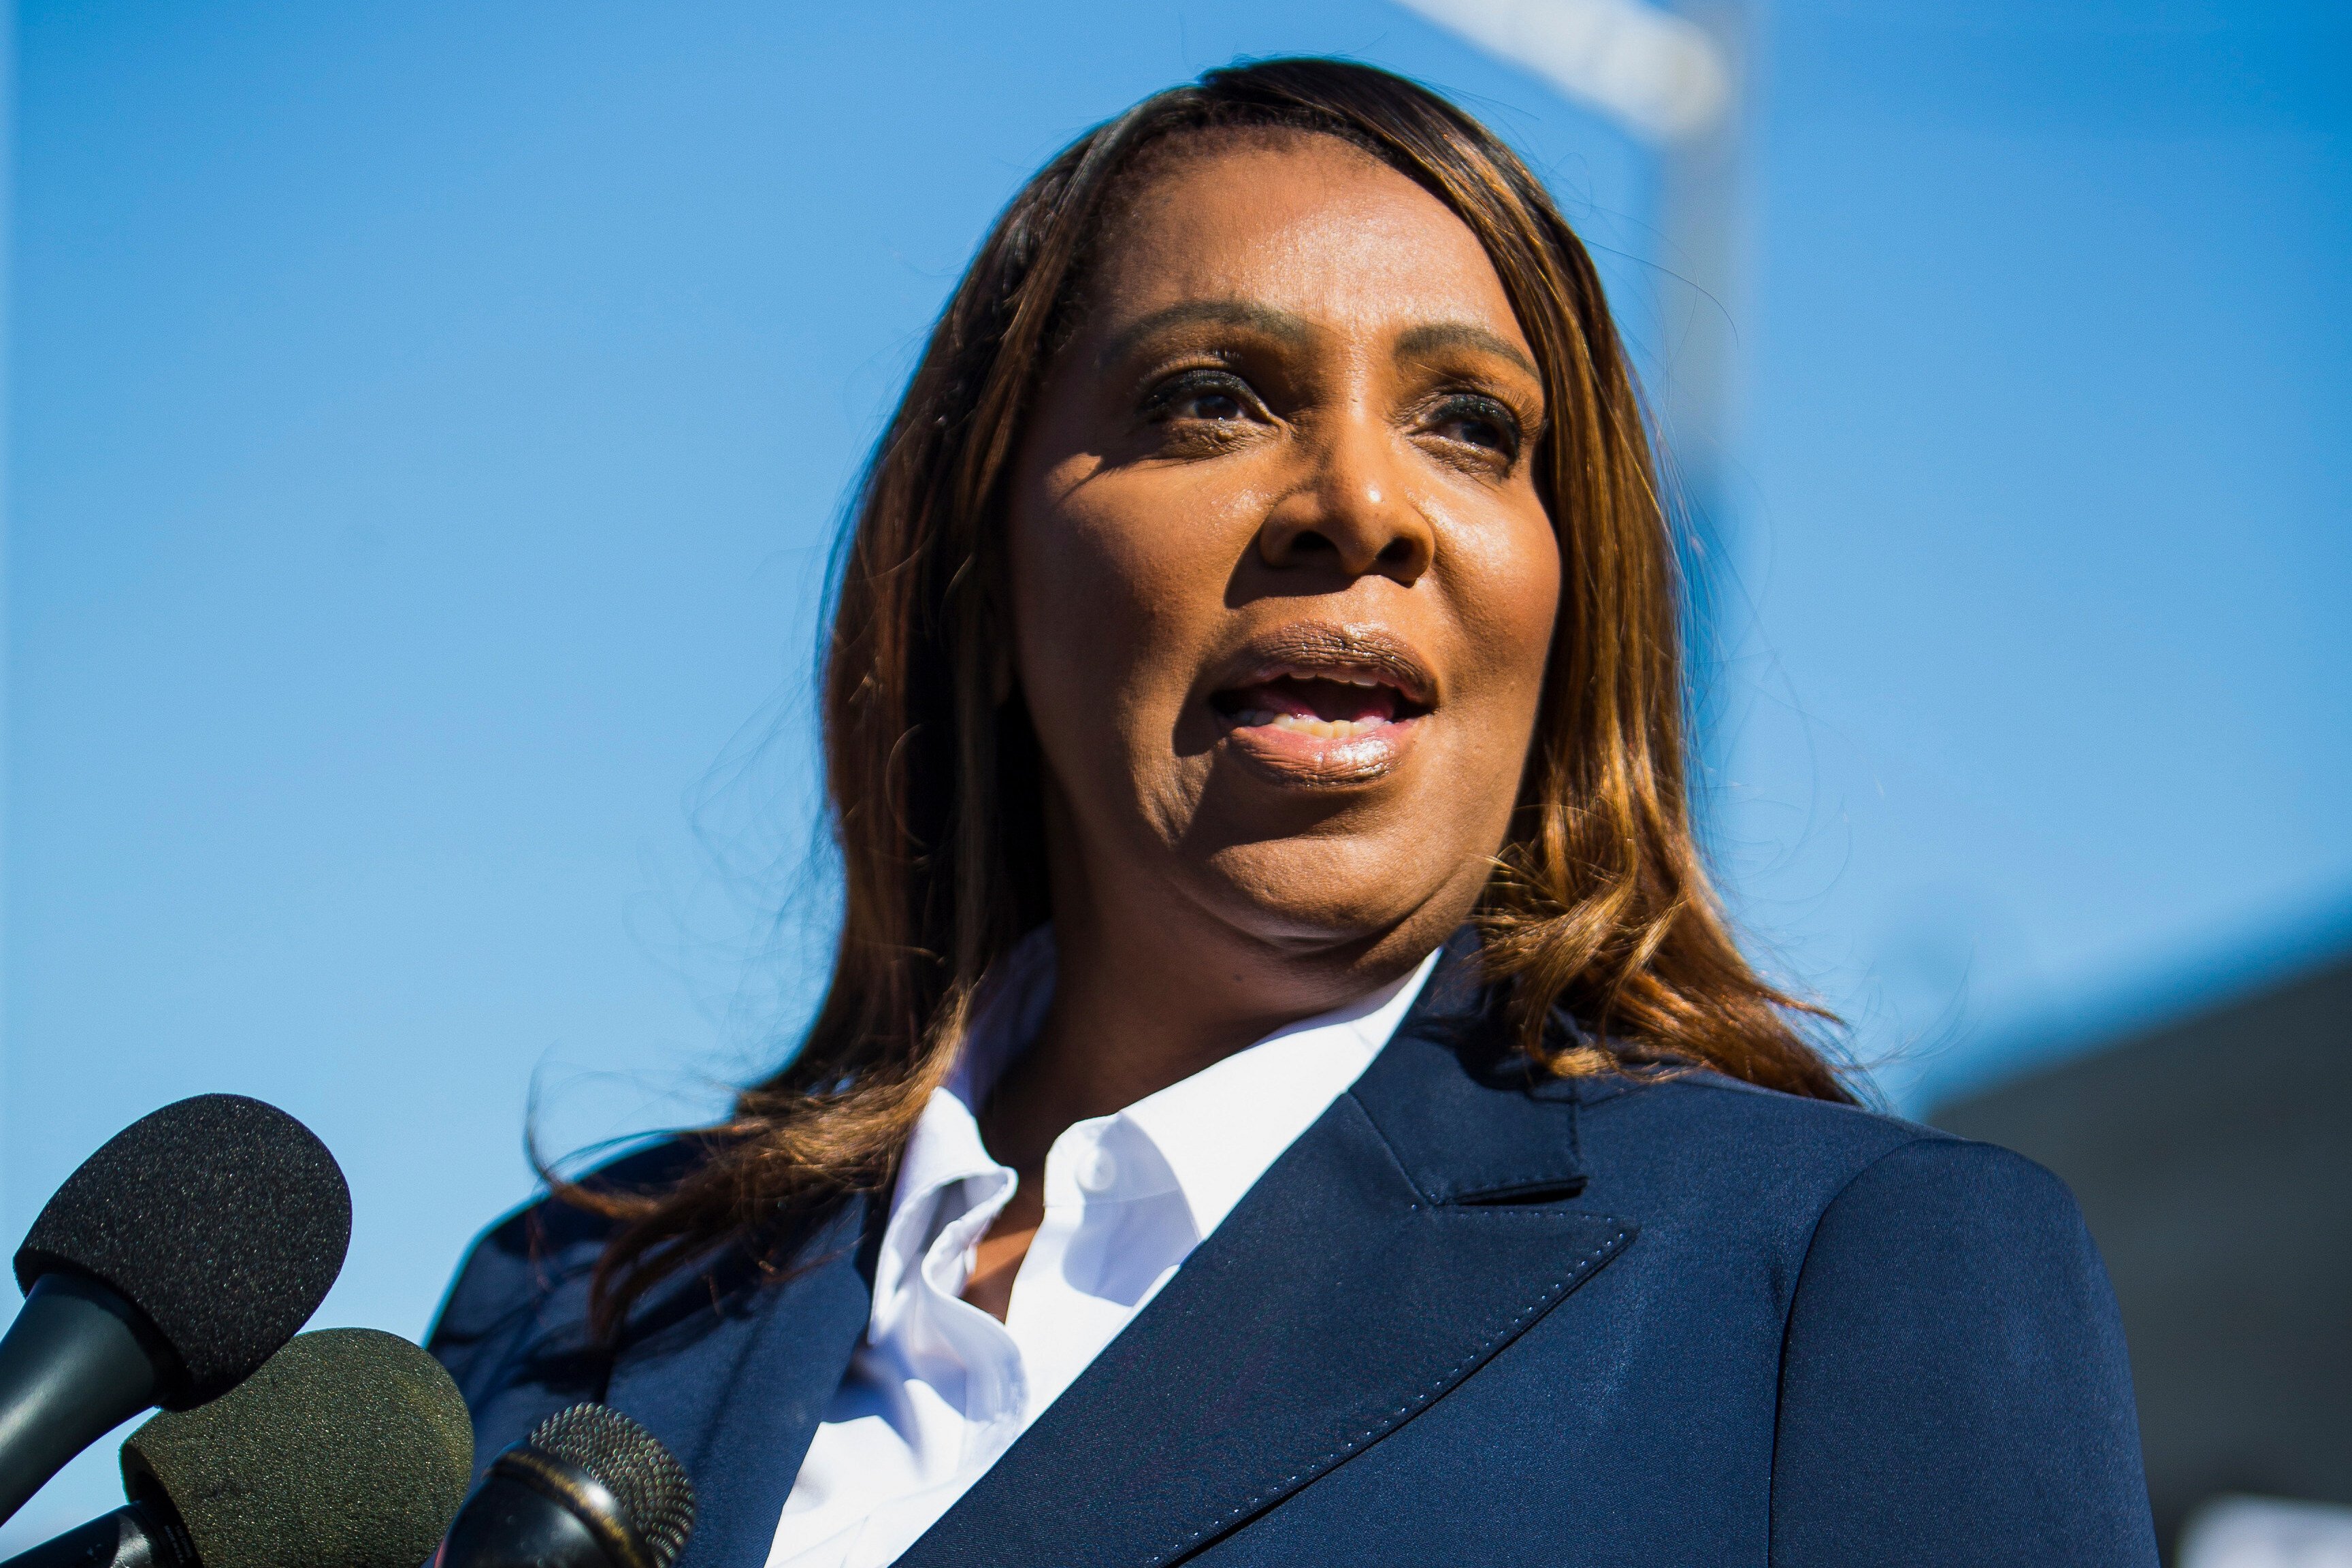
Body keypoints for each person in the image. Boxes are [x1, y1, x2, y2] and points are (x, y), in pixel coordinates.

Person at [427, 58, 2159, 1568]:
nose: (1361, 502)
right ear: (987, 577)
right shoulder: (577, 1296)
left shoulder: (1850, 1277)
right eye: (1212, 399)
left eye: (1473, 426)